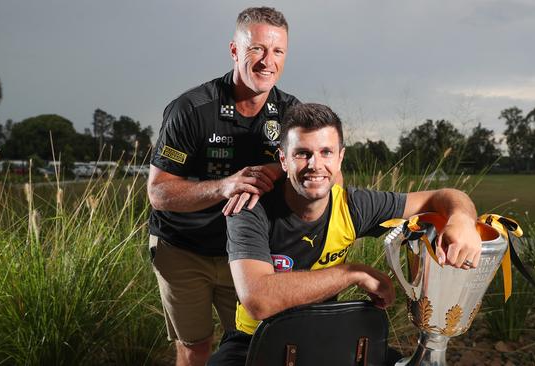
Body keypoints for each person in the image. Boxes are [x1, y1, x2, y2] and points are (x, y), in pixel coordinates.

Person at [208, 103, 482, 365]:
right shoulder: (250, 206)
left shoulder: (354, 205)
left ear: (340, 158)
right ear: (283, 159)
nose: (315, 164)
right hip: (256, 338)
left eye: (326, 152)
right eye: (302, 153)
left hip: (325, 332)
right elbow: (258, 300)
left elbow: (446, 196)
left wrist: (461, 219)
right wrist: (351, 273)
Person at [147, 7, 299, 366]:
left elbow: (325, 175)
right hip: (184, 249)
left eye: (278, 51)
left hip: (249, 253)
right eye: (257, 49)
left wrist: (277, 170)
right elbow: (158, 193)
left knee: (255, 346)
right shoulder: (191, 109)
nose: (268, 61)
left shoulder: (292, 113)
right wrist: (225, 186)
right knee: (195, 348)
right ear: (234, 50)